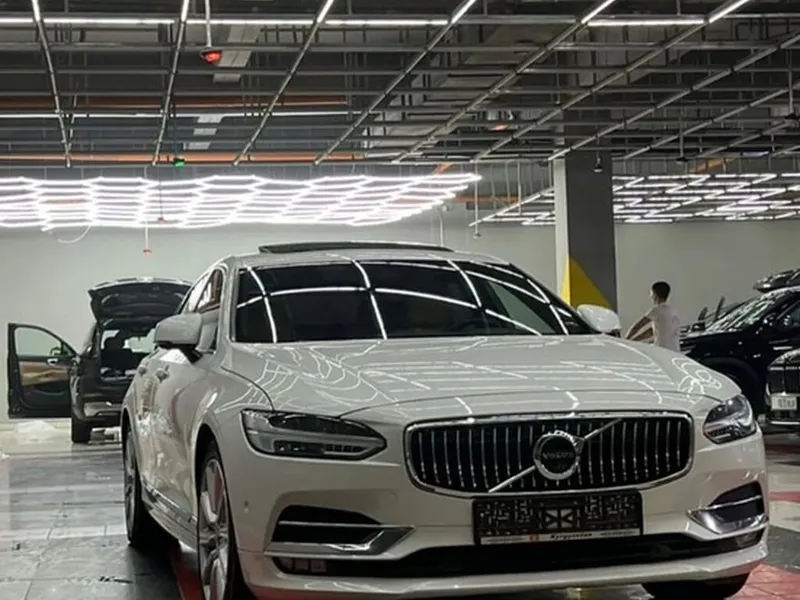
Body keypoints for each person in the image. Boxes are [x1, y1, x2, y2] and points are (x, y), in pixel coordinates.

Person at [625, 281, 681, 352]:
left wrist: (625, 339)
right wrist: (633, 340)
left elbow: (637, 326)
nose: (650, 296)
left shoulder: (656, 310)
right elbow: (651, 332)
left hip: (662, 350)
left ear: (655, 295)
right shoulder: (673, 311)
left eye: (651, 294)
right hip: (674, 350)